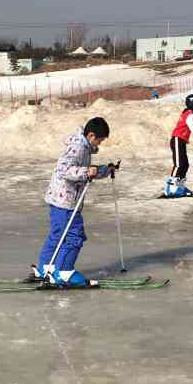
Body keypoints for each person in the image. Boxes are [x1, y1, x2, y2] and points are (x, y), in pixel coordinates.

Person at [37, 117, 119, 287]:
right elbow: (65, 170)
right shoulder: (78, 147)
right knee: (75, 236)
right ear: (91, 135)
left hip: (59, 198)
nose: (100, 144)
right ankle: (64, 272)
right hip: (66, 200)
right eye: (100, 140)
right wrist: (86, 172)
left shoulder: (83, 147)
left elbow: (87, 171)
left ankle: (46, 269)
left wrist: (105, 169)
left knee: (58, 235)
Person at [165, 94, 193, 197]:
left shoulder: (190, 114)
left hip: (181, 141)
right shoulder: (189, 114)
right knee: (179, 164)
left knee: (185, 164)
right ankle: (171, 188)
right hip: (177, 139)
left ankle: (179, 187)